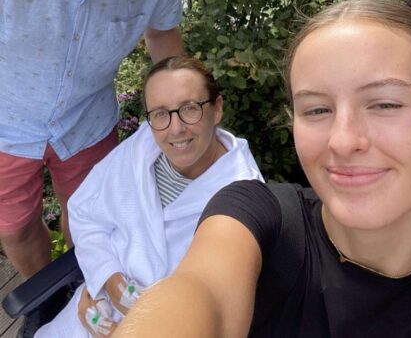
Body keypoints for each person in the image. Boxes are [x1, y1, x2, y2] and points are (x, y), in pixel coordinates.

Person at [113, 0, 411, 338]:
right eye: (317, 110)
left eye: (385, 104)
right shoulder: (259, 217)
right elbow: (202, 291)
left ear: (216, 110)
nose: (342, 140)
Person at [0, 0, 199, 336]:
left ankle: (82, 281)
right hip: (3, 125)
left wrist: (184, 112)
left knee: (88, 215)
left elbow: (164, 42)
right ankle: (48, 293)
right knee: (16, 229)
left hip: (88, 121)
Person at [35, 55, 263, 337]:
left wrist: (133, 323)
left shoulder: (243, 197)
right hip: (93, 311)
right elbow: (85, 212)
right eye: (160, 113)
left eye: (190, 108)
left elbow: (222, 310)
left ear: (217, 109)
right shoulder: (141, 147)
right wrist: (106, 279)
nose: (175, 128)